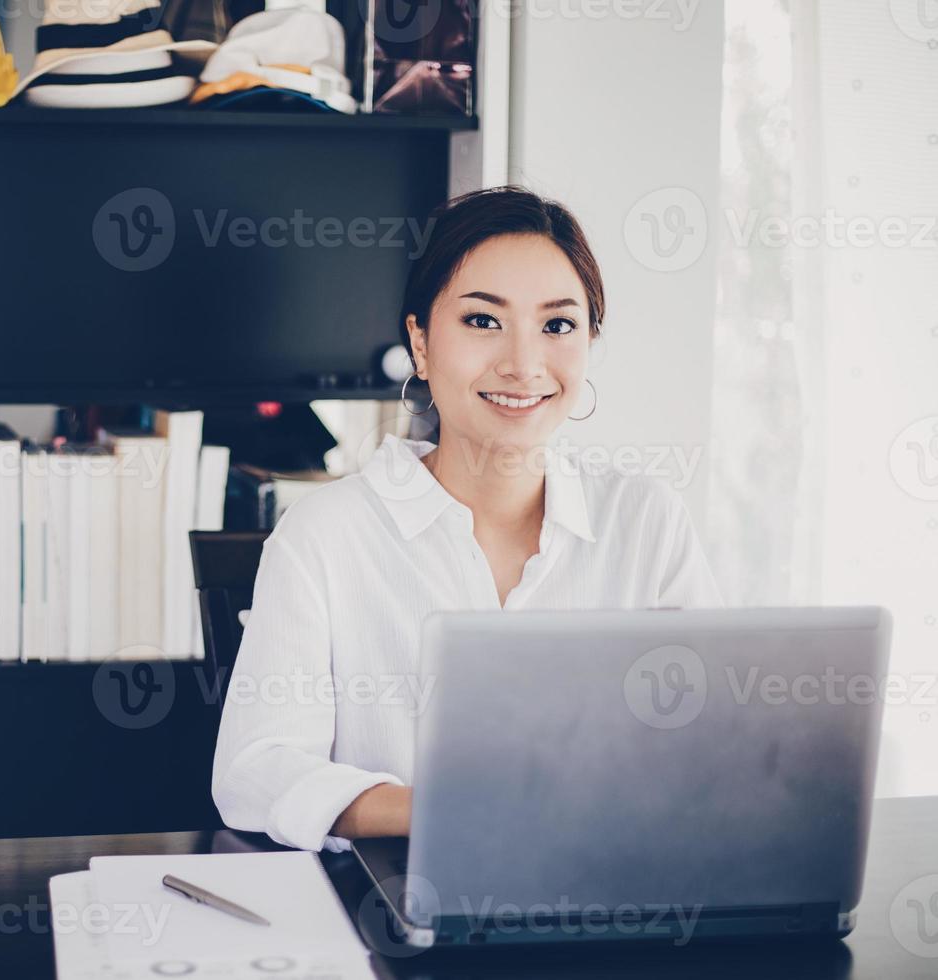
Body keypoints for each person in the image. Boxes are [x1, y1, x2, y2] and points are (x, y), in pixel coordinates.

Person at [211, 185, 723, 853]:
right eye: (483, 321)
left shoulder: (646, 521)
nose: (523, 364)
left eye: (558, 325)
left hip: (609, 894)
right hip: (395, 904)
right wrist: (448, 810)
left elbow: (715, 749)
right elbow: (257, 772)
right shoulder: (325, 538)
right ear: (420, 344)